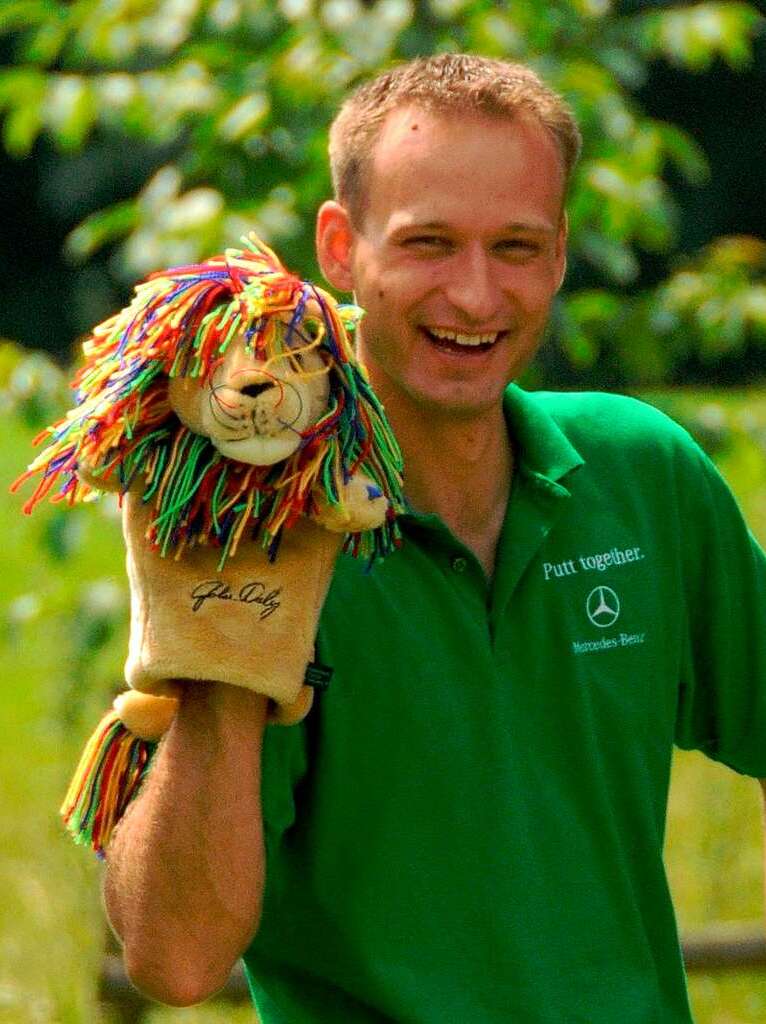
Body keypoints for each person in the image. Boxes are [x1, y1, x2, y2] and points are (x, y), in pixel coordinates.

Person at [102, 54, 766, 1022]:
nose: (473, 294)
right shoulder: (260, 527)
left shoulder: (643, 473)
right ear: (340, 245)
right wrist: (217, 669)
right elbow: (175, 958)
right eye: (428, 243)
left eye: (515, 247)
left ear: (561, 252)